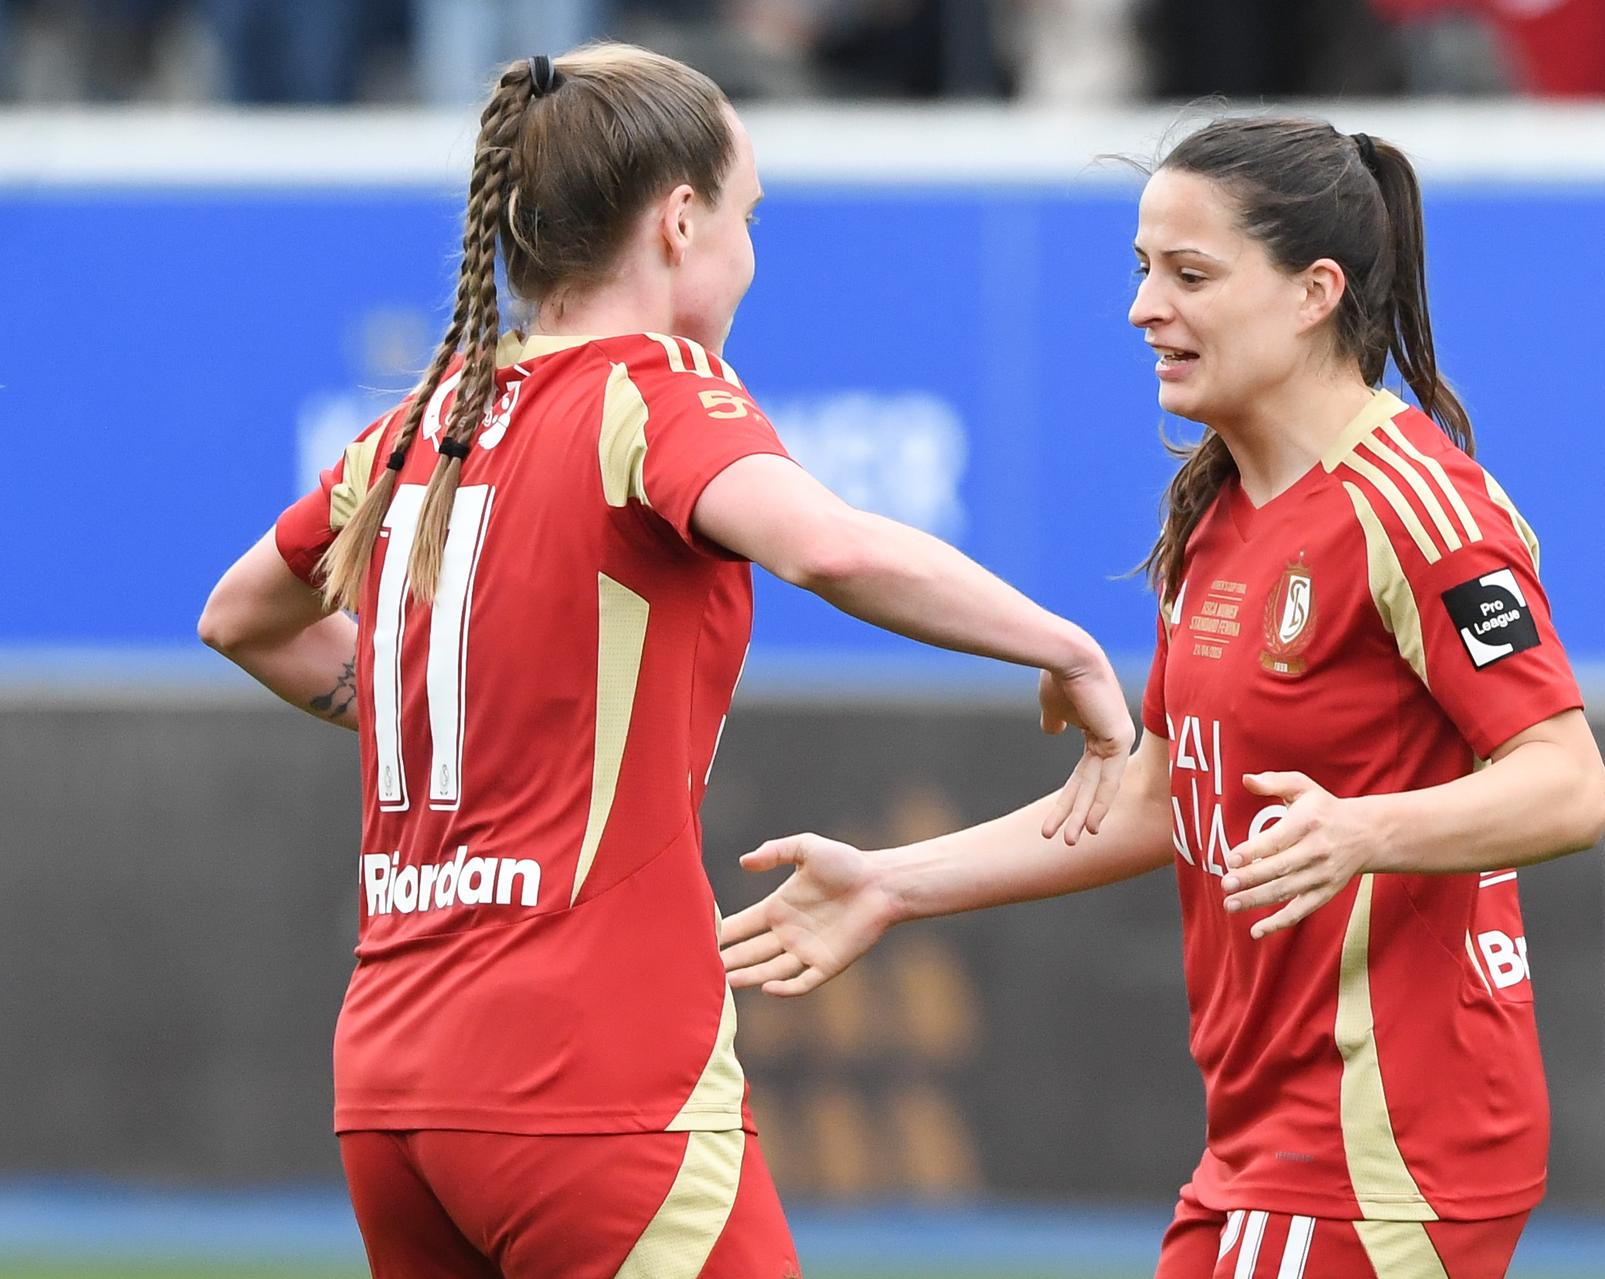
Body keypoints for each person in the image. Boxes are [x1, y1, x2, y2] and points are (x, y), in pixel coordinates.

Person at [196, 43, 1133, 1279]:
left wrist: (464, 709)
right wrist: (1066, 645)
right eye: (749, 218)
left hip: (392, 1087)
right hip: (589, 1080)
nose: (752, 253)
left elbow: (240, 617)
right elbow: (827, 549)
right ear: (680, 221)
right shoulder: (654, 386)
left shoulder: (423, 420)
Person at [721, 117, 1605, 1278]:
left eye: (1190, 275)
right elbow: (1157, 800)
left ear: (1313, 292)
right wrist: (891, 883)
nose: (1146, 309)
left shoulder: (1414, 507)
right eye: (1143, 271)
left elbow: (1568, 781)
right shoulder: (1219, 514)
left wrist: (1365, 828)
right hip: (1269, 1147)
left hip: (1382, 1148)